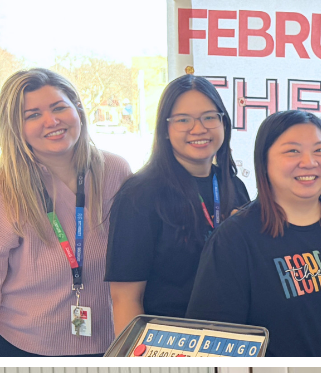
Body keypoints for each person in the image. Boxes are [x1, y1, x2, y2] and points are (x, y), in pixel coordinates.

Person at [186, 110, 321, 356]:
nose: (309, 162)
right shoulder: (234, 239)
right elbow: (215, 339)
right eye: (292, 151)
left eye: (320, 150)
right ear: (264, 161)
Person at [0, 68, 131, 356]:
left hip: (111, 344)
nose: (51, 121)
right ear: (15, 127)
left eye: (59, 108)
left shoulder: (116, 171)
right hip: (23, 349)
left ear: (78, 109)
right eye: (33, 115)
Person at [106, 76, 252, 336]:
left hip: (230, 337)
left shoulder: (234, 187)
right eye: (183, 120)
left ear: (224, 123)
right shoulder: (139, 194)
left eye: (209, 117)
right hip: (168, 342)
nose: (199, 129)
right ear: (165, 129)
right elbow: (125, 298)